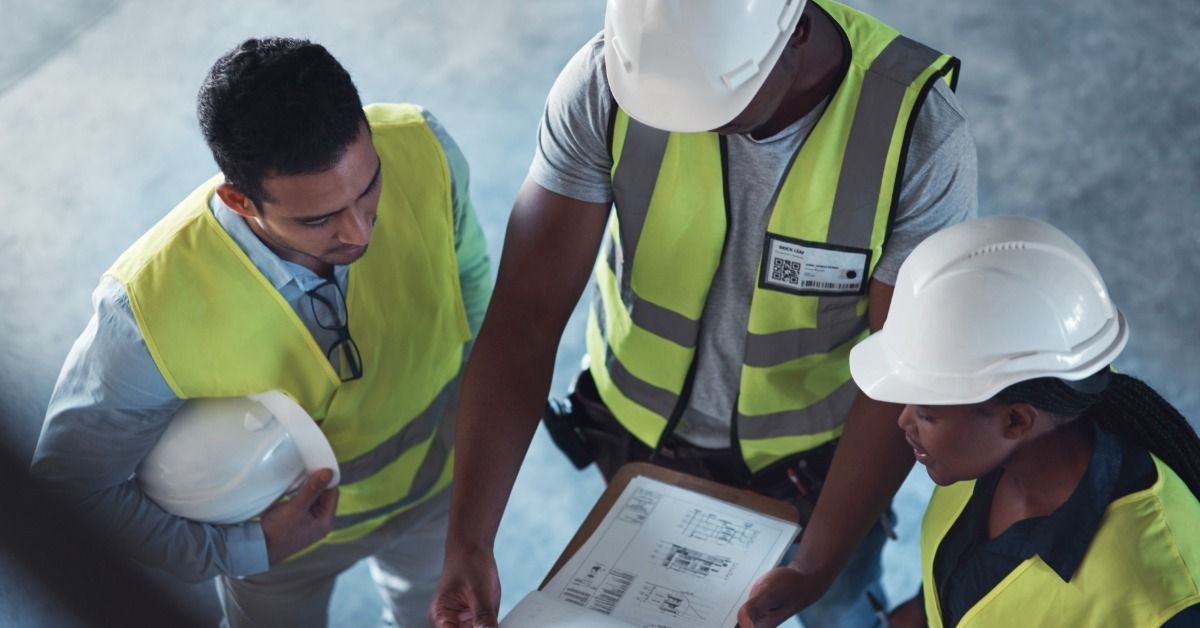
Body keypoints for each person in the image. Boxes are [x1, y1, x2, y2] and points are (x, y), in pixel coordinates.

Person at [430, 0, 976, 626]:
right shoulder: (609, 82)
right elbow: (524, 319)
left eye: (715, 106)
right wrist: (469, 541)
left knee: (842, 608)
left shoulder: (916, 134)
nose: (684, 128)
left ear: (796, 30)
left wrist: (815, 566)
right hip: (637, 437)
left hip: (818, 468)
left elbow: (901, 371)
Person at [30, 37, 491, 627]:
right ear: (239, 200)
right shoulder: (145, 312)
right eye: (318, 218)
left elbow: (473, 289)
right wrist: (243, 551)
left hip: (439, 495)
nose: (359, 232)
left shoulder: (422, 146)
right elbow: (70, 491)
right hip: (280, 554)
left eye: (369, 187)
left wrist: (477, 467)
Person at [848, 215, 1200, 627]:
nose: (903, 420)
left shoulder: (1159, 598)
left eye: (926, 413)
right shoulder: (1002, 437)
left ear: (1016, 420)